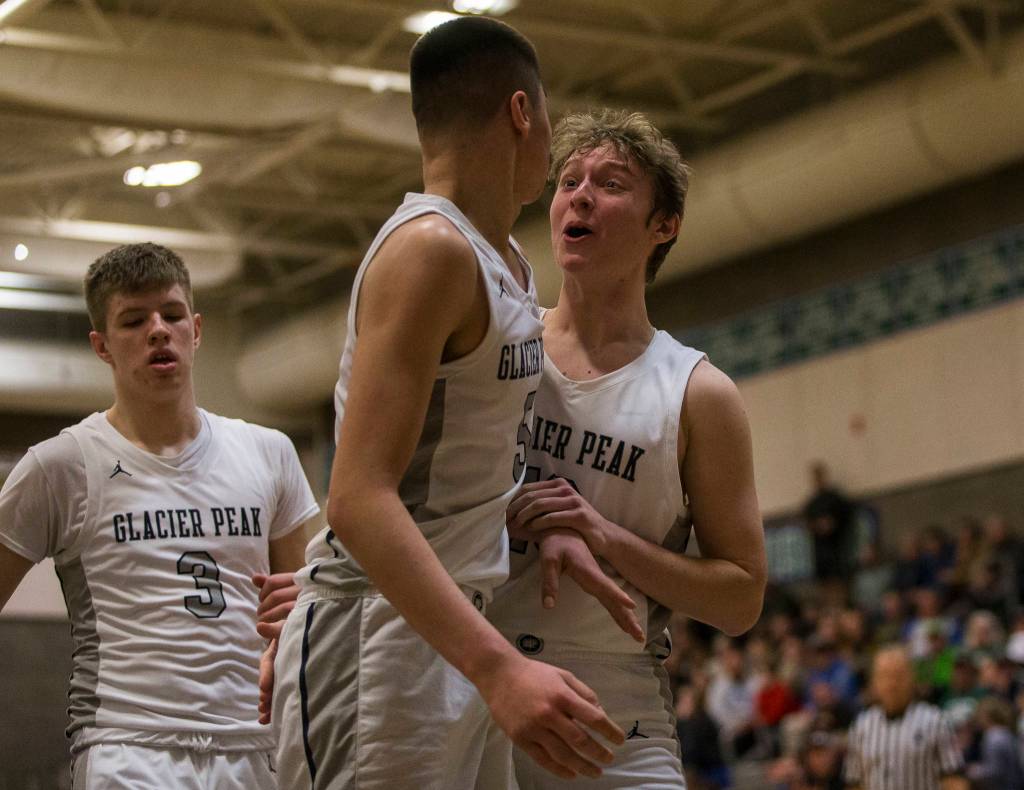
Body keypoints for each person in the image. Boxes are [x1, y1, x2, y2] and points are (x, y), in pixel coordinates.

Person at [270, 16, 624, 790]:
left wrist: (536, 521)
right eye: (548, 119)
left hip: (456, 624)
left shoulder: (511, 263)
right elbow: (359, 497)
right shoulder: (429, 250)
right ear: (521, 113)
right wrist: (499, 668)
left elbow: (460, 455)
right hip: (378, 633)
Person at [487, 109, 767, 788]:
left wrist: (603, 536)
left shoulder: (697, 392)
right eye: (569, 180)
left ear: (663, 225)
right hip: (477, 679)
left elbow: (740, 598)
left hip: (613, 707)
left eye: (610, 184)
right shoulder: (497, 341)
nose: (580, 195)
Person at [0, 242, 319, 789]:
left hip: (251, 743)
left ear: (195, 330)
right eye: (133, 320)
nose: (157, 330)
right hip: (127, 745)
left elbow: (300, 613)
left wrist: (307, 608)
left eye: (171, 315)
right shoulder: (61, 465)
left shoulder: (270, 452)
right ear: (101, 345)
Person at [844, 645, 967, 790]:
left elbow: (954, 781)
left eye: (898, 675)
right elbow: (855, 783)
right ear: (874, 682)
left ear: (912, 678)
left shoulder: (935, 721)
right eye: (884, 676)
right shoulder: (861, 726)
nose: (892, 684)